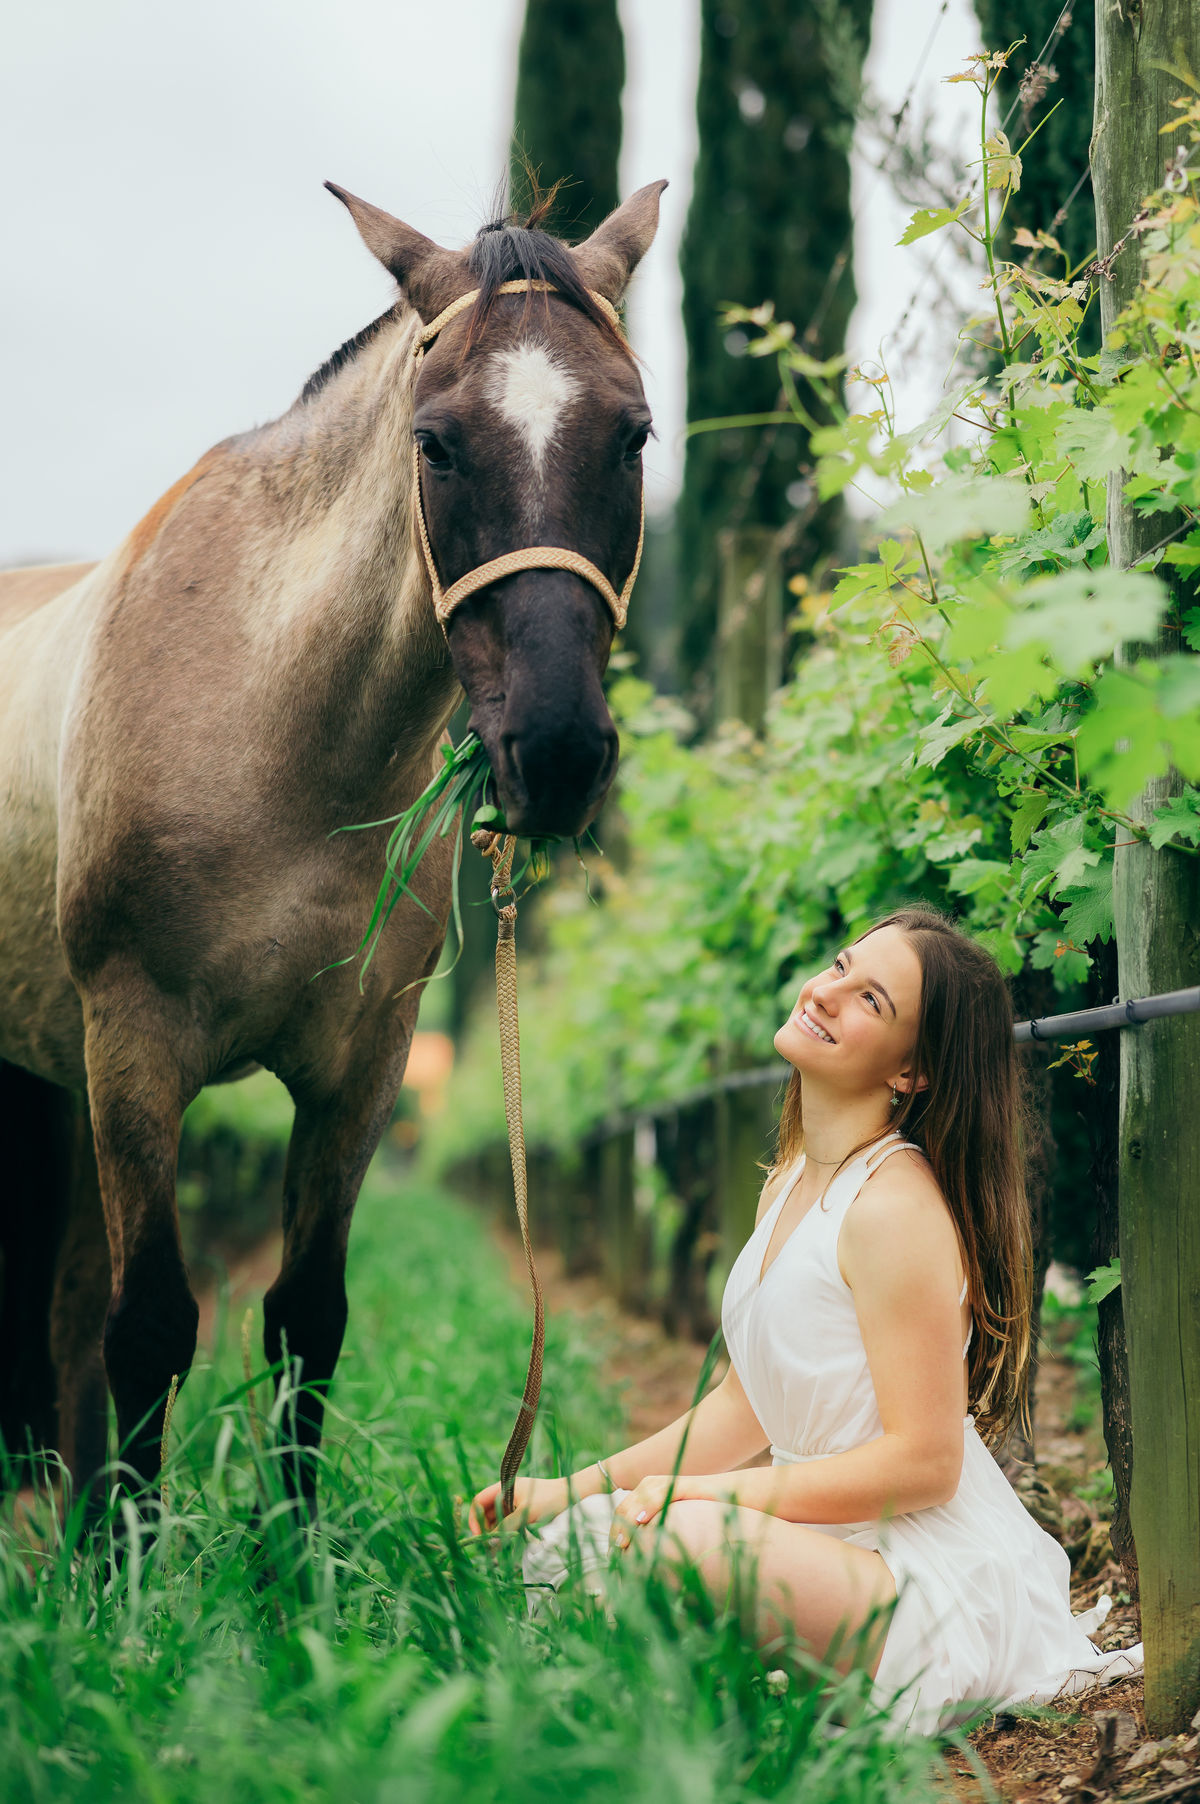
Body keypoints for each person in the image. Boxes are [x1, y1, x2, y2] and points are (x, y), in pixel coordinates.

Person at [469, 906, 1141, 1734]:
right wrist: (558, 1491)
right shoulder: (790, 1178)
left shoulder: (893, 1208)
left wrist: (714, 1497)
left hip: (915, 1571)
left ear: (913, 1072)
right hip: (821, 1543)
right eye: (838, 967)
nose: (825, 993)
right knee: (584, 1535)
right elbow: (739, 1407)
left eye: (870, 1000)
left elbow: (927, 1464)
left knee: (674, 1538)